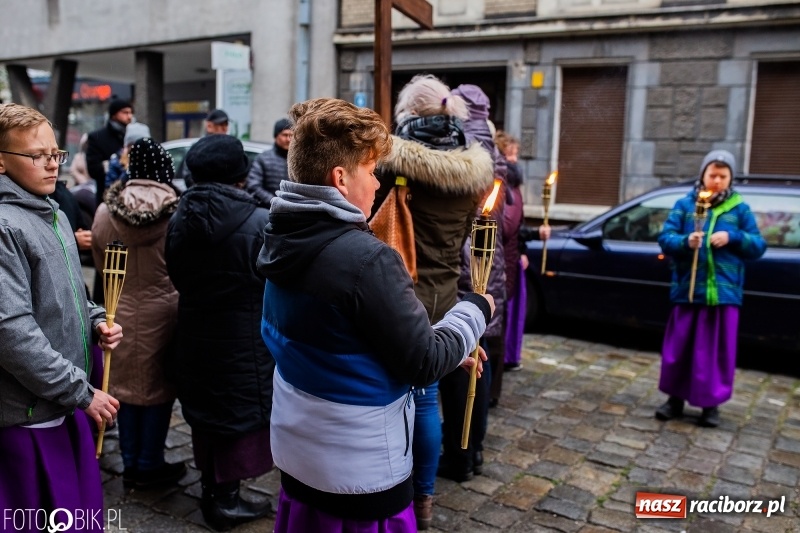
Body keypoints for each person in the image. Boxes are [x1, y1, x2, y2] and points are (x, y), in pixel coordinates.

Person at [258, 97, 493, 533]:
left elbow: (337, 339)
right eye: (371, 171)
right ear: (340, 178)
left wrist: (443, 345)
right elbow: (421, 362)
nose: (377, 184)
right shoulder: (368, 260)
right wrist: (477, 309)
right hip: (358, 472)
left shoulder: (279, 234)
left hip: (300, 452)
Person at [373, 74, 494, 529]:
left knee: (400, 398)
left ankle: (400, 496)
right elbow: (464, 238)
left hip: (397, 291)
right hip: (443, 291)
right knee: (427, 399)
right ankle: (424, 502)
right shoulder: (473, 170)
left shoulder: (390, 163)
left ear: (409, 112)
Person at [0, 103, 122, 523]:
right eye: (37, 156)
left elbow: (68, 293)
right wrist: (82, 392)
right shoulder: (5, 226)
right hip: (28, 414)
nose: (52, 165)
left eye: (56, 154)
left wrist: (94, 319)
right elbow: (11, 332)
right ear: (0, 161)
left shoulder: (50, 211)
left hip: (60, 404)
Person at [166, 134, 274, 531]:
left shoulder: (179, 217)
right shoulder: (260, 222)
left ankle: (216, 491)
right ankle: (225, 501)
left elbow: (175, 273)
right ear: (240, 176)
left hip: (195, 332)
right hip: (244, 339)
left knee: (209, 415)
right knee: (237, 417)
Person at [91, 137, 186, 490]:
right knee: (159, 391)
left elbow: (103, 265)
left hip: (119, 309)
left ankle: (131, 461)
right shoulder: (177, 211)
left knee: (123, 387)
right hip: (165, 311)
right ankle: (150, 462)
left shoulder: (104, 211)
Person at [656, 149, 766, 428]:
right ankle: (674, 400)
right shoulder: (685, 204)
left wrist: (733, 236)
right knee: (680, 348)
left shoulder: (739, 209)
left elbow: (758, 246)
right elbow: (665, 238)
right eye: (712, 174)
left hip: (723, 293)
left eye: (723, 175)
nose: (717, 180)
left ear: (730, 178)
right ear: (703, 175)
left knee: (714, 352)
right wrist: (685, 242)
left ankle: (709, 405)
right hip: (688, 290)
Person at [441, 83, 506, 484]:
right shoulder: (493, 148)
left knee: (461, 365)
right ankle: (474, 450)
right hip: (491, 267)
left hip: (468, 267)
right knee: (478, 366)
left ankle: (460, 455)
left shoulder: (460, 145)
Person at [493, 131, 551, 373]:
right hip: (503, 257)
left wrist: (525, 247)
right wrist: (532, 235)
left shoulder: (514, 186)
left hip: (513, 256)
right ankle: (502, 358)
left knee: (514, 311)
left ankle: (510, 355)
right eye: (510, 154)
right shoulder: (502, 185)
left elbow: (517, 225)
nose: (514, 159)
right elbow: (507, 226)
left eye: (516, 154)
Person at [87, 99, 134, 208]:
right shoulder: (98, 137)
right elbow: (93, 169)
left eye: (131, 113)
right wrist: (114, 164)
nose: (129, 116)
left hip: (131, 198)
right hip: (107, 198)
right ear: (113, 115)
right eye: (125, 112)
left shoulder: (132, 136)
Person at [245, 118, 293, 206]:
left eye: (291, 135)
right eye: (284, 135)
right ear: (276, 136)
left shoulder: (297, 161)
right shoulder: (263, 158)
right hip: (268, 211)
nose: (288, 139)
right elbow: (253, 186)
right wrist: (275, 202)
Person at [104, 122, 151, 189]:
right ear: (128, 146)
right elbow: (110, 188)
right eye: (134, 145)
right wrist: (129, 170)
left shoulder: (152, 160)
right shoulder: (117, 161)